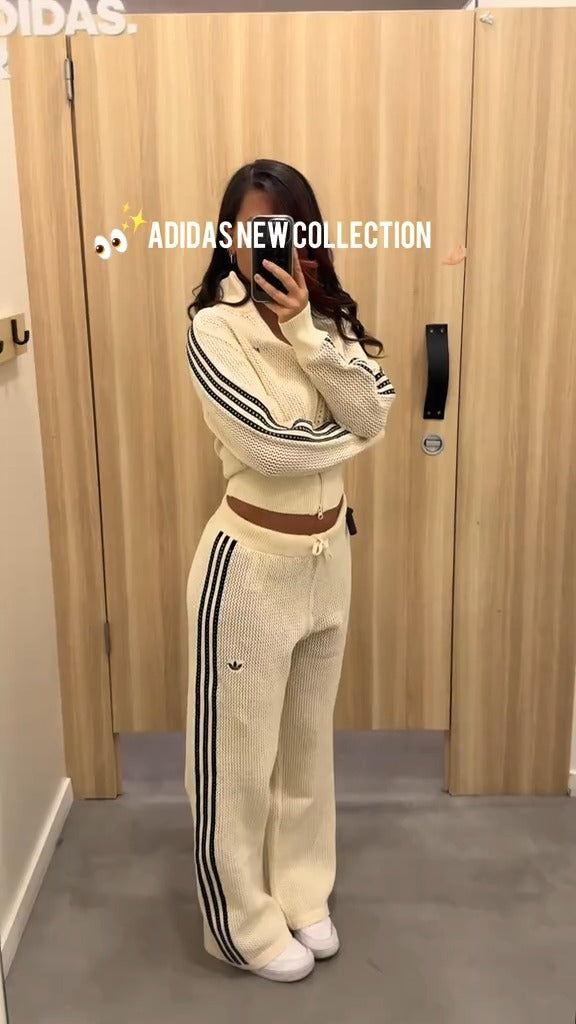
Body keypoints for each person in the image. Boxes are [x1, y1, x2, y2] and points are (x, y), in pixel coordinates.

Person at [184, 159, 396, 983]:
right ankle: (241, 922)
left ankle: (302, 892)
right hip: (248, 572)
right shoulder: (215, 329)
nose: (269, 240)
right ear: (229, 235)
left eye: (285, 224)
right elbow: (272, 448)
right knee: (237, 764)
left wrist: (307, 329)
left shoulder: (327, 321)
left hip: (328, 561)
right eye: (254, 226)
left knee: (307, 752)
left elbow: (375, 408)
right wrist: (358, 430)